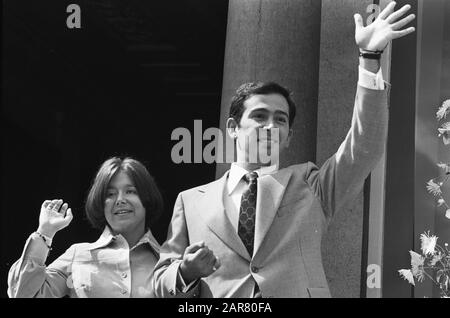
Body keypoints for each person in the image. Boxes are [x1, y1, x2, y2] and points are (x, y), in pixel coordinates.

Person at [153, 2, 416, 298]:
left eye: (280, 120)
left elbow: (364, 146)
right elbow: (161, 281)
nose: (270, 126)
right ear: (232, 128)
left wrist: (369, 58)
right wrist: (186, 271)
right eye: (259, 116)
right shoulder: (190, 202)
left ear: (289, 136)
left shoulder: (310, 185)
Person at [8, 157, 163, 298]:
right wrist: (45, 232)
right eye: (110, 194)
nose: (120, 200)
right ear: (100, 204)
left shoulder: (168, 261)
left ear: (147, 198)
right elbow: (23, 294)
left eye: (130, 191)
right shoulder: (77, 254)